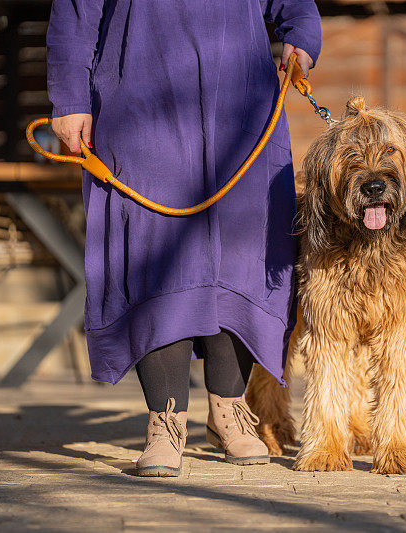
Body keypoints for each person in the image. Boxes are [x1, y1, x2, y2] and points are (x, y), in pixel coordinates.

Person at [46, 0, 321, 476]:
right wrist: (69, 98)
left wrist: (301, 31)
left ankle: (229, 408)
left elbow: (294, 3)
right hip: (140, 107)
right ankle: (165, 420)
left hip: (241, 109)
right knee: (152, 255)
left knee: (241, 257)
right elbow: (74, 10)